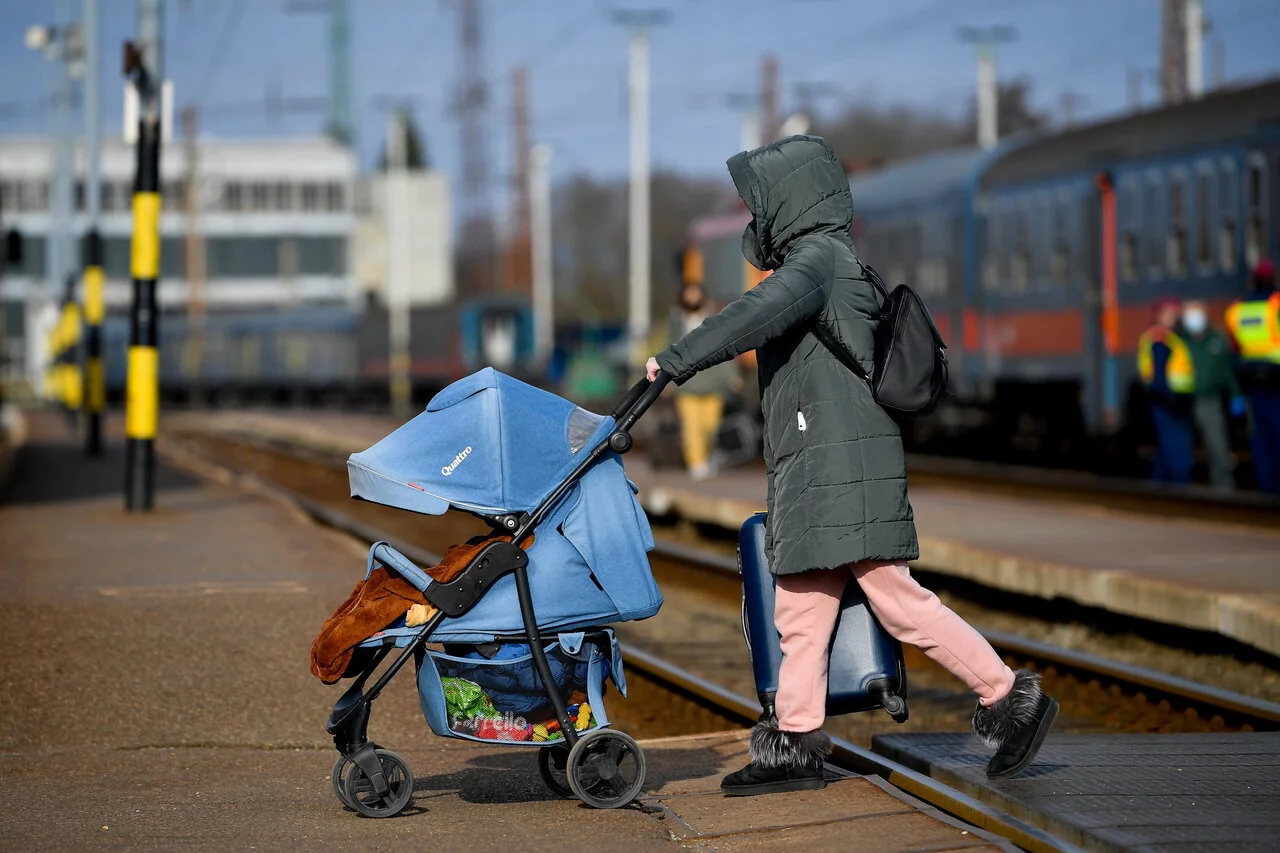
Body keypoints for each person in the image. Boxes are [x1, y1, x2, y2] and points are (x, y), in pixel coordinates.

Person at [644, 135, 1057, 796]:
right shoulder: (825, 259)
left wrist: (676, 358)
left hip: (840, 463)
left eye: (762, 202)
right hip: (821, 463)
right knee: (802, 608)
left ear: (790, 201)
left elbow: (753, 314)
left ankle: (1009, 696)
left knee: (898, 601)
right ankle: (795, 742)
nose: (757, 217)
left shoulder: (816, 261)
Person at [667, 284, 734, 479]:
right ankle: (696, 463)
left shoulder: (714, 318)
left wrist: (731, 376)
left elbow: (726, 345)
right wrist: (668, 380)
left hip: (713, 380)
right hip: (686, 382)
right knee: (691, 426)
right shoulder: (676, 320)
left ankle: (707, 456)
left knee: (711, 426)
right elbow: (669, 348)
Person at [1226, 260, 1280, 494]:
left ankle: (1267, 488)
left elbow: (1234, 351)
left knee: (1261, 437)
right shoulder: (1276, 305)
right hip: (1277, 382)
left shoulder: (1237, 310)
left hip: (1252, 383)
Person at [1181, 299, 1244, 490]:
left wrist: (1236, 395)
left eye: (1196, 313)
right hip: (1185, 403)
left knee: (1218, 448)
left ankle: (1223, 489)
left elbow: (1228, 372)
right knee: (1182, 450)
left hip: (1210, 400)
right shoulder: (1181, 343)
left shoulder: (1217, 340)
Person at [1137, 298, 1196, 484]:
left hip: (1169, 401)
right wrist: (1170, 399)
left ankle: (1157, 489)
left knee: (1165, 449)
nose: (1174, 317)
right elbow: (1159, 375)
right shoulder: (1160, 338)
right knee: (1178, 448)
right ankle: (1180, 489)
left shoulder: (1169, 337)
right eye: (1170, 314)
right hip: (1167, 402)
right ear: (1160, 315)